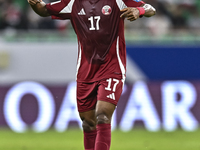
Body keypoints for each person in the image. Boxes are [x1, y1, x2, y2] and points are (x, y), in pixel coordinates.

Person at [27, 0, 156, 150]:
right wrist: (34, 3)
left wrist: (138, 11)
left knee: (102, 115)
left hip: (111, 68)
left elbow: (150, 9)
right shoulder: (72, 3)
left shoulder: (117, 1)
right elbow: (43, 10)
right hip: (86, 71)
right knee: (88, 123)